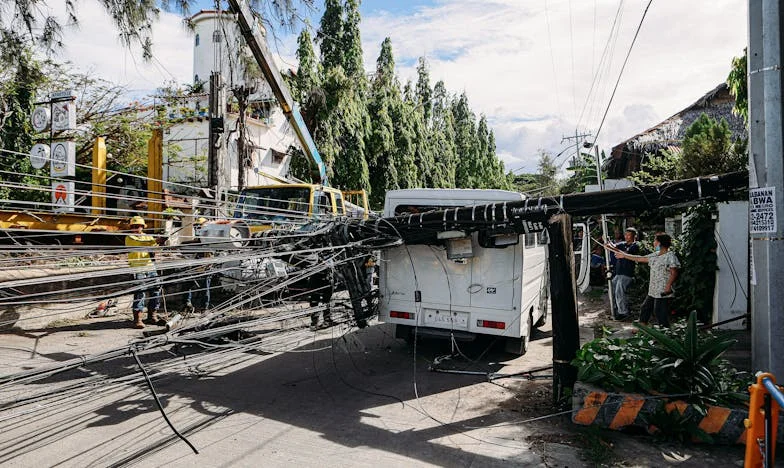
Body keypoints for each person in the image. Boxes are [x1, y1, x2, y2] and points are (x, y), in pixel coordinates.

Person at [607, 232, 680, 327]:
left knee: (659, 311)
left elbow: (674, 273)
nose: (654, 243)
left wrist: (668, 286)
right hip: (654, 289)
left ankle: (665, 332)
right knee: (645, 308)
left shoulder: (670, 256)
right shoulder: (656, 255)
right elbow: (640, 258)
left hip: (663, 290)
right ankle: (642, 326)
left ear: (660, 243)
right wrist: (624, 255)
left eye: (655, 241)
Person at [126, 216, 166, 328]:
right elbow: (140, 243)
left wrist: (161, 243)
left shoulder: (147, 237)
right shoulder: (130, 237)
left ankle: (152, 316)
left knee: (156, 291)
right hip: (137, 268)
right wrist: (156, 240)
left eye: (138, 226)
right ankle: (138, 319)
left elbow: (154, 248)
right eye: (134, 226)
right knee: (140, 292)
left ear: (142, 227)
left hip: (150, 267)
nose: (136, 228)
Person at [608, 227, 640, 320]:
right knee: (612, 290)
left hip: (627, 274)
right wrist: (608, 241)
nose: (626, 237)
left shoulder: (635, 246)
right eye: (625, 234)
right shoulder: (622, 244)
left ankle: (623, 312)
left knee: (619, 292)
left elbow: (625, 254)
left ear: (634, 236)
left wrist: (613, 248)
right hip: (618, 273)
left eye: (628, 235)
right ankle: (616, 310)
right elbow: (613, 246)